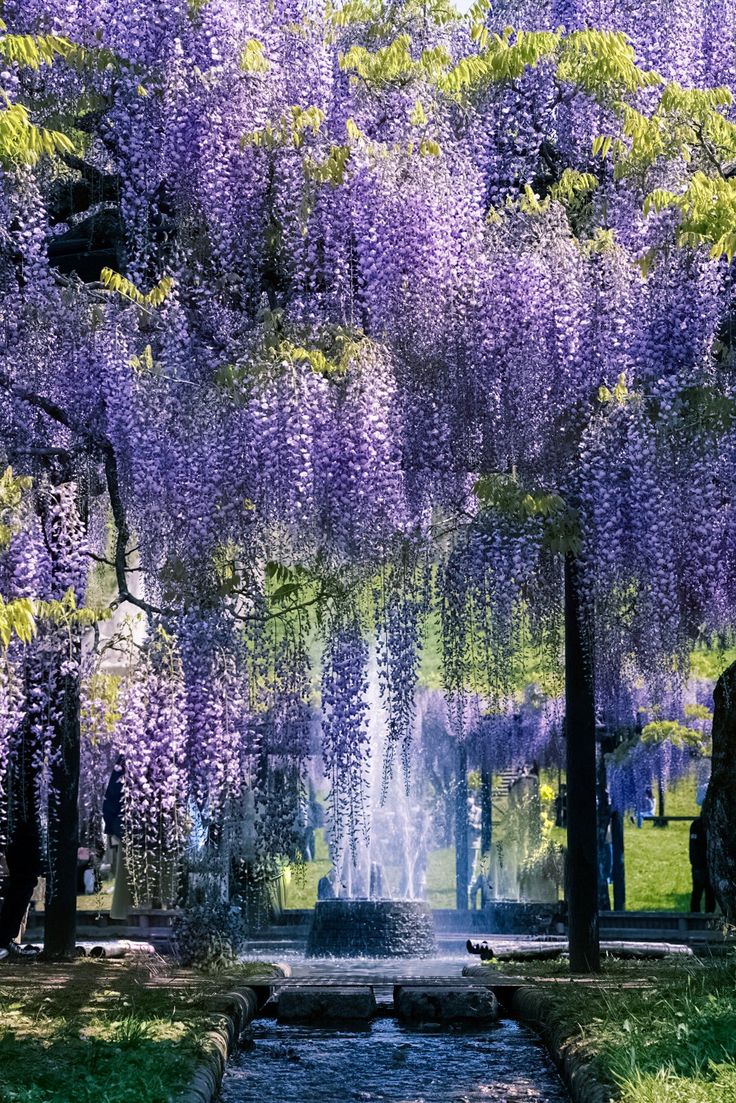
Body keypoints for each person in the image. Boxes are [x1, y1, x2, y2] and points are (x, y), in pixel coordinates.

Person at [0, 750, 43, 961]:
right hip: (18, 807)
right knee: (25, 874)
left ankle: (4, 939)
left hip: (21, 807)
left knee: (26, 874)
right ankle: (4, 939)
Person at [689, 816, 716, 913]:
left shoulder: (710, 823)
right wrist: (696, 866)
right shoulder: (697, 824)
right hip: (701, 865)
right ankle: (697, 916)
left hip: (708, 865)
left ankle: (708, 917)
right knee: (697, 893)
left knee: (709, 894)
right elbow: (694, 848)